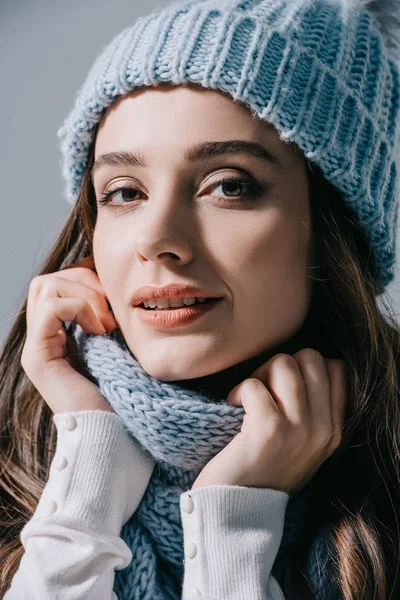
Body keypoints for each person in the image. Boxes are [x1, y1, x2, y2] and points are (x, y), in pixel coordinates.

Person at [1, 0, 400, 598]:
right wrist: (91, 470)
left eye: (229, 186)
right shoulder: (18, 475)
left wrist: (232, 517)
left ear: (334, 228)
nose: (158, 240)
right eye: (124, 191)